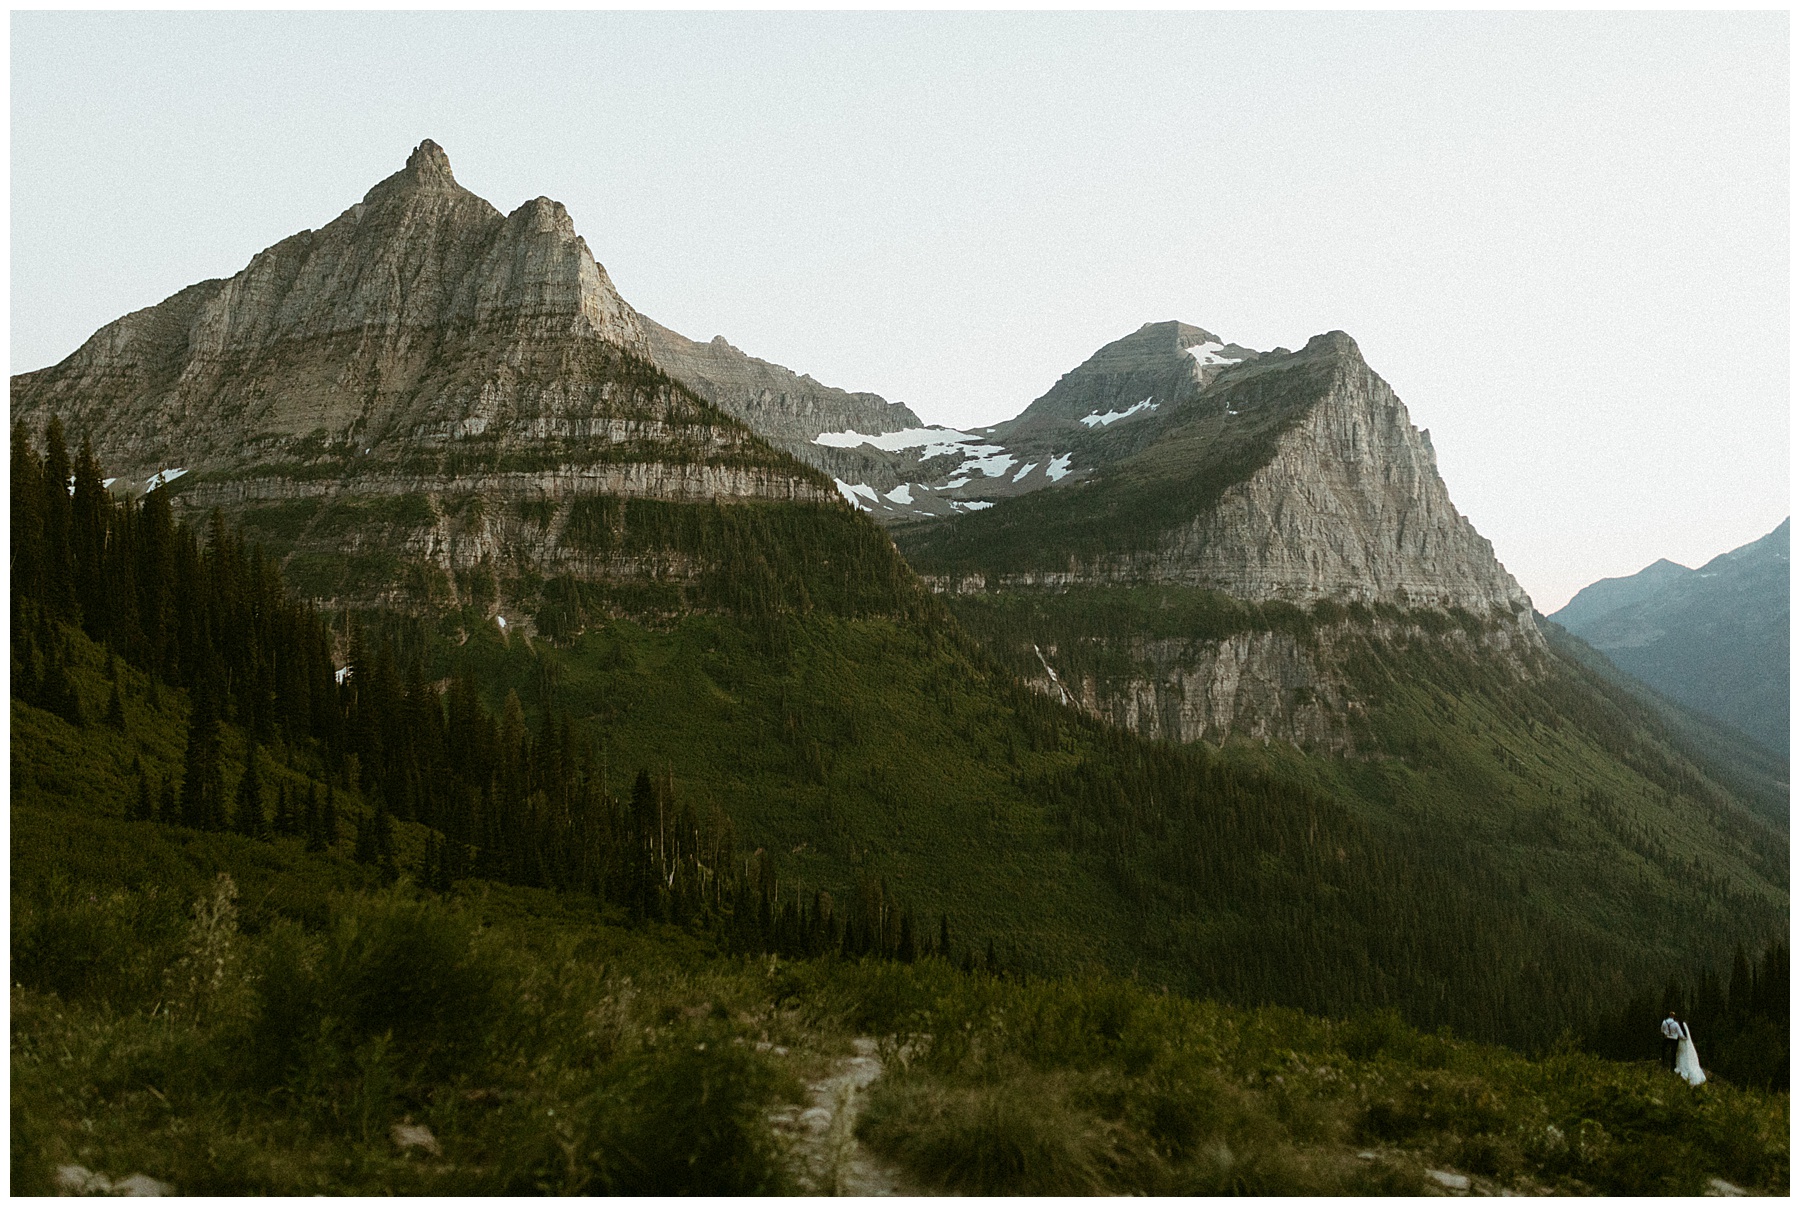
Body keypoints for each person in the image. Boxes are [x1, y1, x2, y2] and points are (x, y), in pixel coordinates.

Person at [1674, 1019, 1706, 1087]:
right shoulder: (1683, 1024)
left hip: (1682, 1042)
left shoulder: (1681, 1025)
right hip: (1684, 1042)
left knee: (1683, 1056)